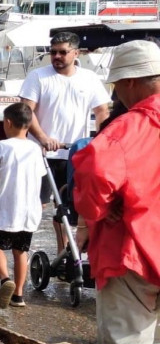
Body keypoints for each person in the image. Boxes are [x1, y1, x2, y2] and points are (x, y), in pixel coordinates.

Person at [73, 40, 160, 344]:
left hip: (132, 254)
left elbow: (95, 171)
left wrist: (98, 210)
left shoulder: (127, 129)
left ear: (130, 82)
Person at [19, 31, 111, 255]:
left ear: (76, 53)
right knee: (36, 205)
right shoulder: (38, 76)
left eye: (62, 52)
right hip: (40, 152)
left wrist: (102, 139)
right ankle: (20, 250)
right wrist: (43, 138)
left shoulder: (89, 79)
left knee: (67, 206)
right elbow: (26, 110)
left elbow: (101, 111)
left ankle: (64, 254)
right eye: (53, 52)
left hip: (73, 153)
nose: (57, 56)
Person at [0, 103, 46, 309]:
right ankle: (18, 295)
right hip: (28, 211)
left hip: (6, 208)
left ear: (8, 123)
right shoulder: (35, 149)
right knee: (21, 251)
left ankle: (4, 279)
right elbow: (40, 176)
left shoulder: (2, 146)